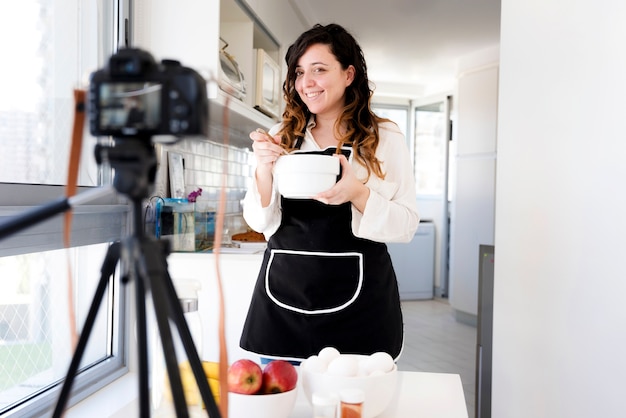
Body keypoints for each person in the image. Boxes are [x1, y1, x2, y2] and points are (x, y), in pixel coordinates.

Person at [239, 23, 420, 363]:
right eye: (299, 72)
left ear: (349, 74)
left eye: (319, 70)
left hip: (361, 308)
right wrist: (264, 168)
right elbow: (260, 221)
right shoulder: (281, 135)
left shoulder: (384, 138)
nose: (306, 83)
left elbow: (407, 224)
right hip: (284, 301)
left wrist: (358, 193)